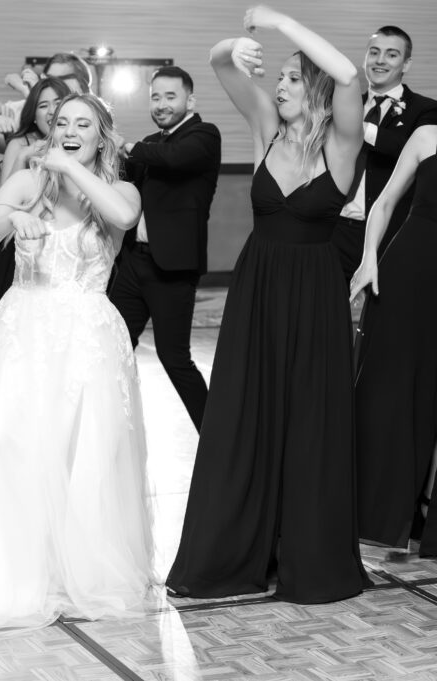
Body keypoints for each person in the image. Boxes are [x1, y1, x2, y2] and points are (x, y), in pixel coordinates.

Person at [0, 93, 153, 632]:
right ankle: (11, 573)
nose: (69, 129)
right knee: (10, 444)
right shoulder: (27, 181)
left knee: (82, 454)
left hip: (88, 339)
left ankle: (76, 572)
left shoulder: (119, 190)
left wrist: (70, 166)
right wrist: (15, 214)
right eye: (62, 122)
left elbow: (124, 216)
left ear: (102, 136)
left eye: (83, 124)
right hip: (23, 329)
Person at [166, 7, 371, 604]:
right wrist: (239, 42)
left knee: (308, 424)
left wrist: (280, 21)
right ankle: (230, 555)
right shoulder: (265, 128)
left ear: (312, 89)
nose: (276, 86)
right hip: (257, 295)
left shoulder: (341, 141)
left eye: (288, 78)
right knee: (243, 418)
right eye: (275, 77)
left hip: (314, 301)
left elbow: (351, 77)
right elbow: (218, 62)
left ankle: (304, 556)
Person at [110, 65, 220, 431]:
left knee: (174, 358)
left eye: (170, 96)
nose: (161, 104)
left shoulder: (204, 136)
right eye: (155, 96)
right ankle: (109, 428)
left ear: (190, 99)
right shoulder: (150, 144)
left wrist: (125, 145)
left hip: (172, 268)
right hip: (134, 264)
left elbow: (173, 159)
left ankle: (213, 434)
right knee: (113, 349)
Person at [351, 123, 437, 554]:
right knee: (391, 388)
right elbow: (383, 204)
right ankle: (379, 515)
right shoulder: (426, 136)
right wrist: (369, 261)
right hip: (411, 271)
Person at [332, 26, 437, 282]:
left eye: (391, 54)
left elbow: (406, 148)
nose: (380, 60)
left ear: (406, 64)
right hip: (338, 229)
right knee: (328, 312)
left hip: (392, 230)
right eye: (374, 52)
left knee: (383, 314)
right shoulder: (343, 104)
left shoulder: (426, 110)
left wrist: (359, 125)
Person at [0, 77, 73, 318]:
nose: (51, 111)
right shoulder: (21, 142)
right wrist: (23, 156)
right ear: (33, 113)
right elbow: (3, 198)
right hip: (21, 241)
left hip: (65, 242)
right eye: (43, 106)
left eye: (58, 103)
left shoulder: (77, 143)